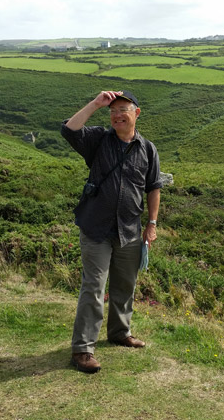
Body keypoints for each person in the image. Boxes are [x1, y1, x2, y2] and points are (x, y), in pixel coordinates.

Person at [61, 90, 162, 373]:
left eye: (122, 110)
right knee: (94, 287)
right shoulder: (97, 140)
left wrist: (152, 224)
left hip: (129, 229)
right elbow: (69, 130)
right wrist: (95, 103)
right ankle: (83, 349)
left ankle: (120, 332)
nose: (117, 115)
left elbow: (153, 187)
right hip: (96, 227)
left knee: (125, 285)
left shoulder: (148, 149)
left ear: (136, 113)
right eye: (112, 111)